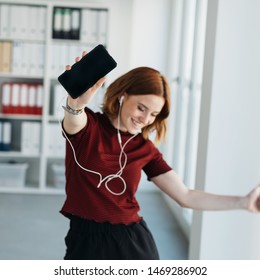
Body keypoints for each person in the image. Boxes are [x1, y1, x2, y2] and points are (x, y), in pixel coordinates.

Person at [60, 51, 260, 260]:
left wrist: (242, 202)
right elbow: (74, 119)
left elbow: (186, 196)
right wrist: (76, 104)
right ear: (122, 96)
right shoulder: (89, 127)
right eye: (141, 108)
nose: (145, 119)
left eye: (154, 114)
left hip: (131, 245)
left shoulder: (144, 149)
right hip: (82, 241)